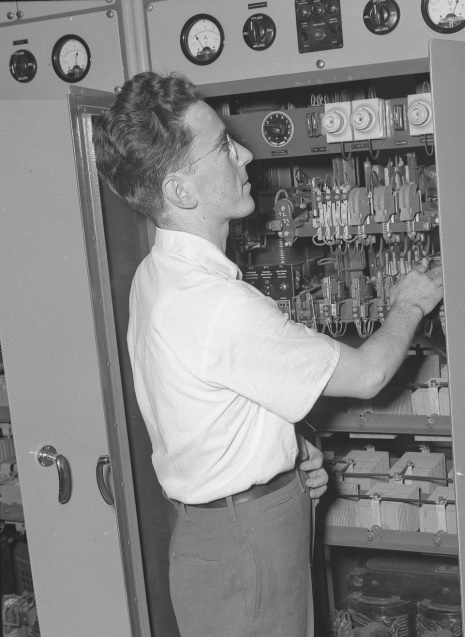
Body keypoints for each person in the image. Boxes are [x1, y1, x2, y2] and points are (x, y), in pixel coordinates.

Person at [93, 71, 443, 637]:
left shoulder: (159, 273)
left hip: (230, 528)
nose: (247, 155)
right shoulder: (215, 304)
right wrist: (410, 303)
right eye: (223, 148)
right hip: (245, 542)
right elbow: (368, 373)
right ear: (181, 192)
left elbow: (211, 397)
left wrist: (281, 445)